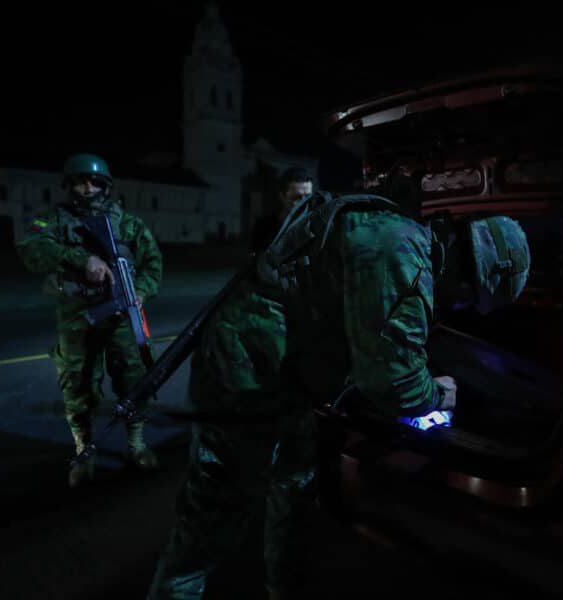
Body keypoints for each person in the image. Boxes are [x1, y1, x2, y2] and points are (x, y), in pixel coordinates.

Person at [147, 186, 530, 599]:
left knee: (293, 489)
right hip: (246, 376)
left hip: (288, 374)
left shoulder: (405, 242)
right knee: (213, 519)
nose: (462, 305)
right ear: (473, 271)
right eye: (471, 297)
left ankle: (284, 589)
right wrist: (437, 396)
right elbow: (391, 382)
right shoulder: (399, 252)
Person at [16, 153, 164, 487]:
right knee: (78, 383)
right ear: (69, 185)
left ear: (106, 185)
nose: (88, 187)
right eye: (81, 181)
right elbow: (30, 248)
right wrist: (81, 260)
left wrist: (141, 290)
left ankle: (136, 444)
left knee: (133, 378)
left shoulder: (128, 224)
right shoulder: (53, 220)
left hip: (123, 315)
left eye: (95, 182)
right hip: (77, 315)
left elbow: (154, 262)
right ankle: (84, 451)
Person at [249, 167, 314, 253]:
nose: (305, 203)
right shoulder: (264, 227)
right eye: (297, 198)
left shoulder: (315, 226)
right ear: (283, 196)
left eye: (308, 197)